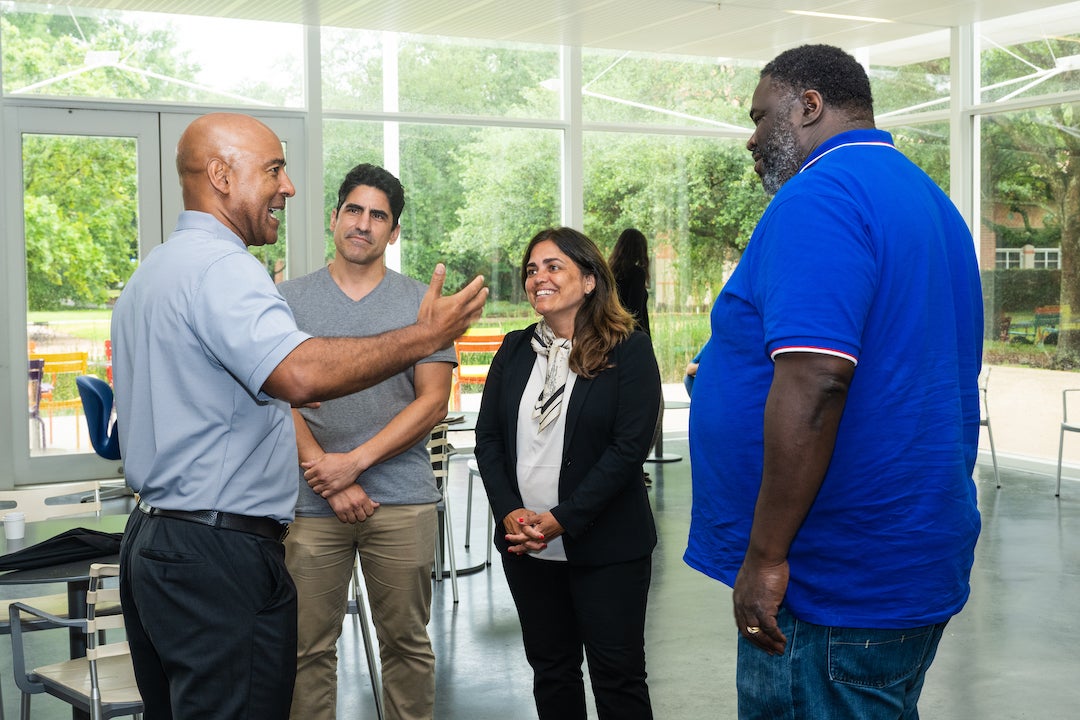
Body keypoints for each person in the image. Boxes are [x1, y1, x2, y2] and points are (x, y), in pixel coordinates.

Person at [111, 112, 487, 720]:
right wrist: (422, 336)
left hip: (161, 540)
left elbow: (233, 384)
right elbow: (299, 374)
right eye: (274, 170)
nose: (287, 187)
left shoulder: (157, 268)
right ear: (221, 175)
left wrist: (282, 407)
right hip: (216, 547)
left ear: (393, 230)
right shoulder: (227, 271)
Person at [683, 45, 982, 720]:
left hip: (832, 579)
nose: (752, 138)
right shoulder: (928, 201)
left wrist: (763, 559)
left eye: (762, 117)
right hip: (906, 559)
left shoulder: (822, 195)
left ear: (809, 105)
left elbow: (818, 380)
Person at [279, 163, 451, 720]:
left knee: (406, 646)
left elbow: (432, 401)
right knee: (307, 651)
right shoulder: (286, 300)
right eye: (354, 210)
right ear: (334, 218)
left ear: (393, 232)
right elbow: (274, 397)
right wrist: (328, 477)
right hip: (309, 502)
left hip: (401, 499)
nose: (364, 223)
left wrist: (351, 464)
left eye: (379, 215)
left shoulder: (423, 302)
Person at [474, 227, 661, 720]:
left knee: (617, 679)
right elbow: (489, 439)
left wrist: (563, 518)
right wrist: (510, 511)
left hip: (607, 547)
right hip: (527, 546)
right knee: (552, 673)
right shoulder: (514, 350)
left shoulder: (629, 350)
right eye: (532, 269)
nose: (539, 277)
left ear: (590, 279)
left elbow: (627, 451)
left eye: (553, 266)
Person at [609, 228, 660, 484]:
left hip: (610, 345)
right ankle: (634, 469)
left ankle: (622, 468)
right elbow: (636, 313)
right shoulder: (636, 273)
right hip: (633, 347)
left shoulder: (609, 274)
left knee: (618, 411)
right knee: (646, 411)